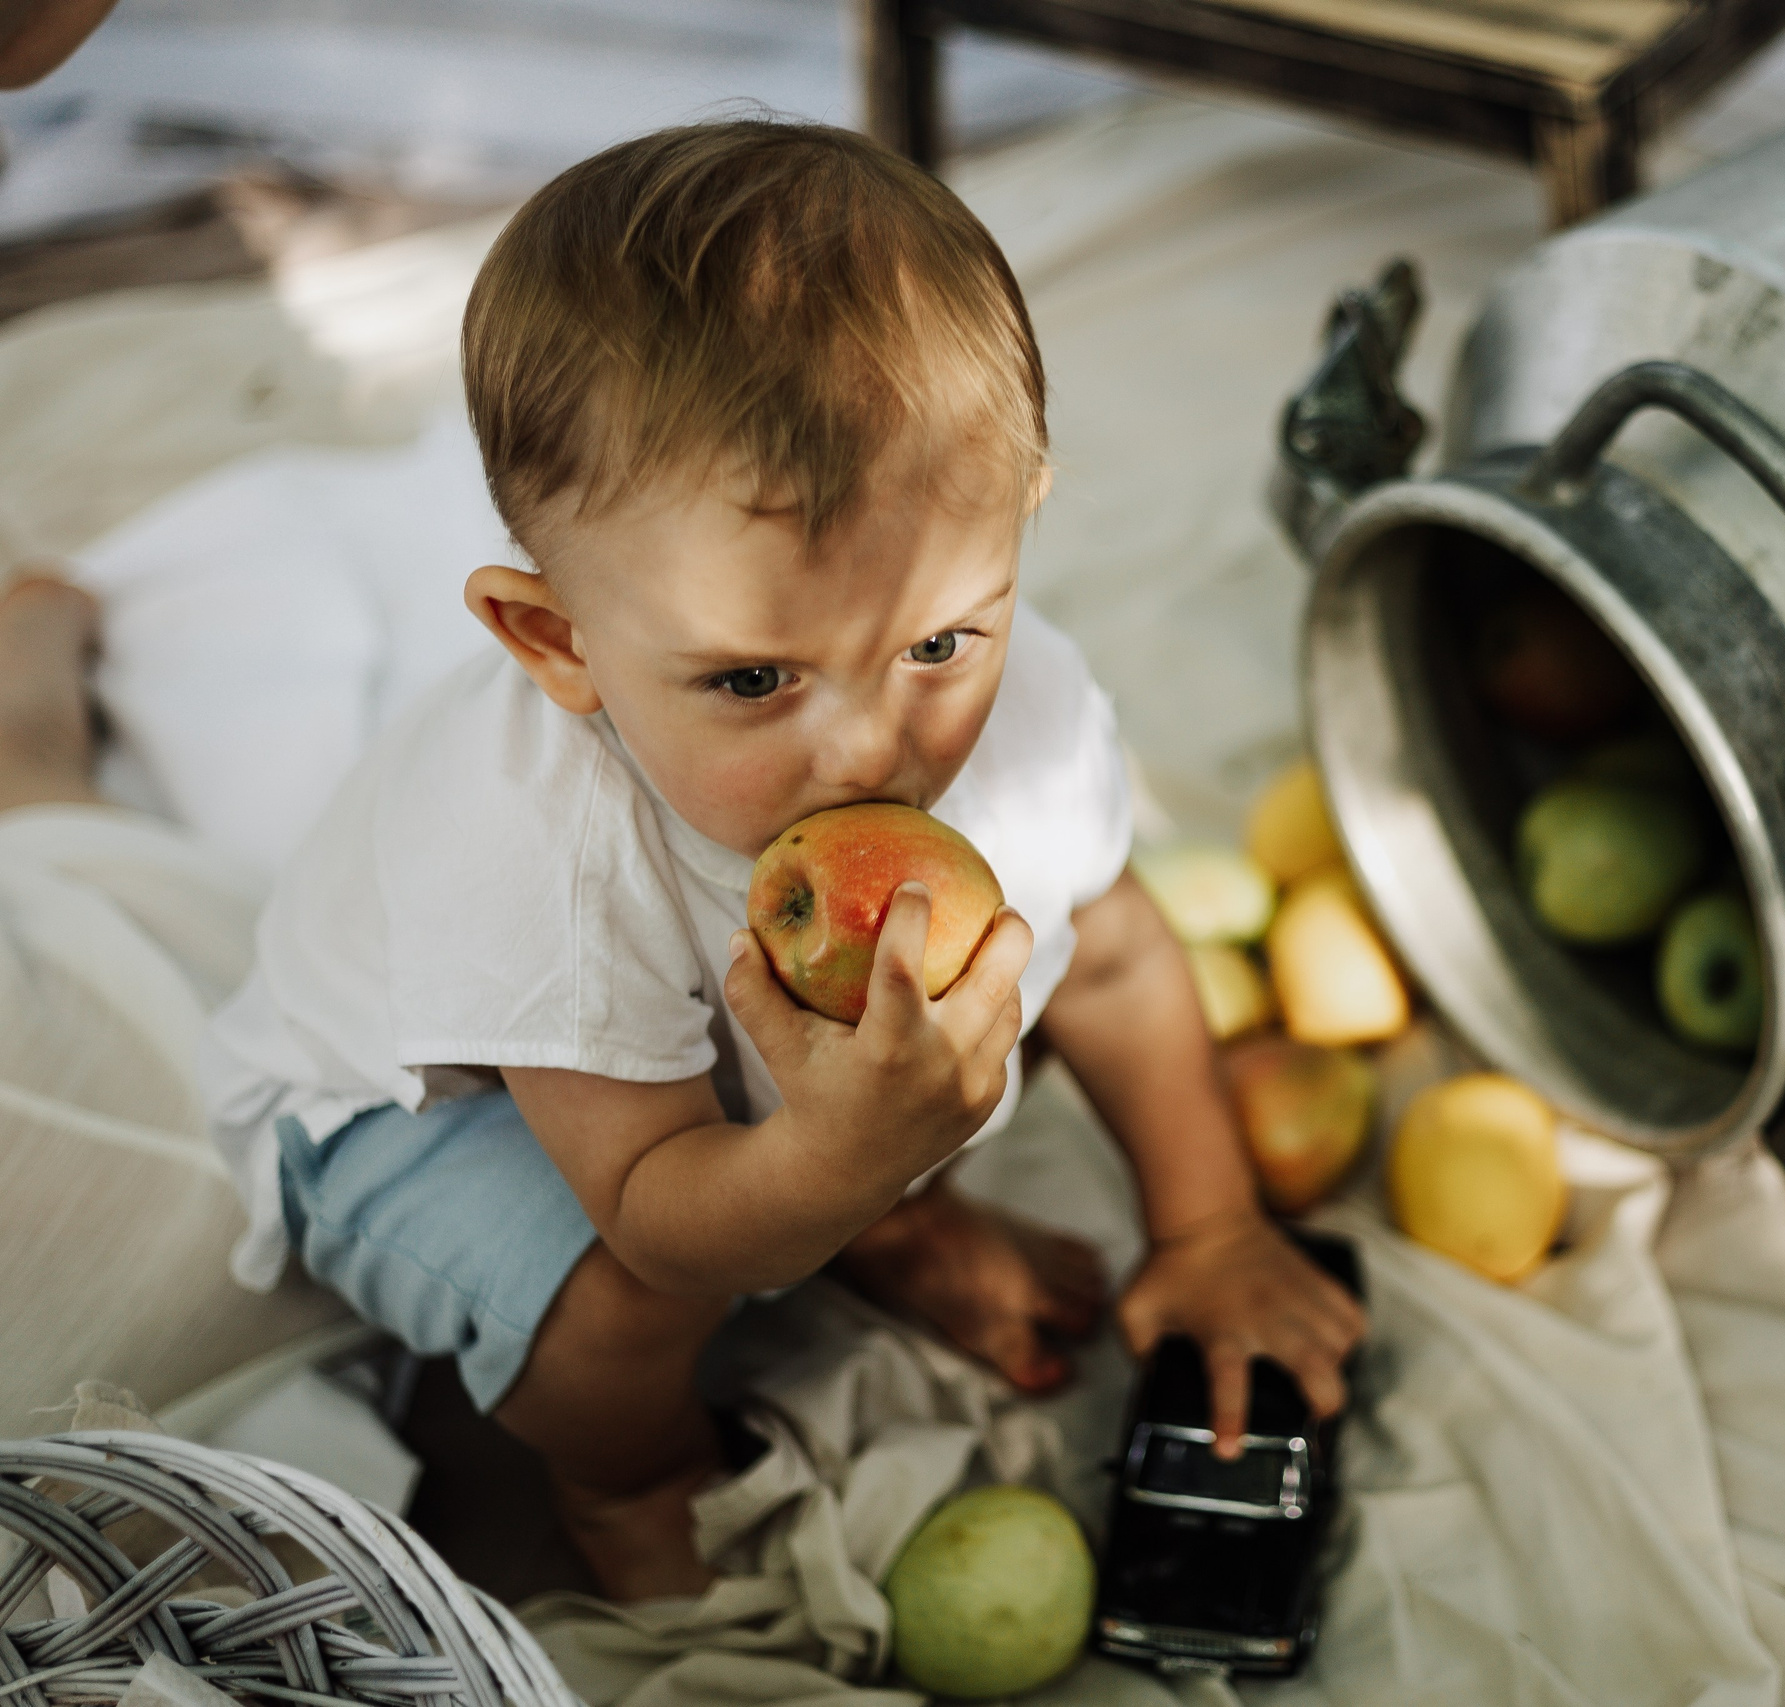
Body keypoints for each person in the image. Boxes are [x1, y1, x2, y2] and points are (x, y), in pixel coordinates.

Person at [193, 119, 1365, 1601]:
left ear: (1020, 529)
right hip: (430, 1108)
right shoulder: (536, 854)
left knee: (1013, 973)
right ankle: (626, 1479)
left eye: (942, 641)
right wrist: (842, 1162)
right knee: (613, 1317)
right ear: (558, 643)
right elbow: (656, 1216)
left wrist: (1209, 1226)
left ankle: (867, 1216)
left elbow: (1122, 954)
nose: (872, 753)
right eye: (755, 681)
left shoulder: (1029, 709)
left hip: (729, 1109)